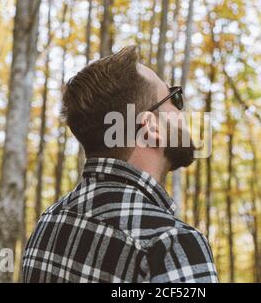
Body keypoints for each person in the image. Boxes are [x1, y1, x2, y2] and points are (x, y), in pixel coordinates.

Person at [22, 45, 218, 283]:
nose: (181, 110)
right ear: (151, 127)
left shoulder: (48, 223)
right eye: (174, 97)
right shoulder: (170, 245)